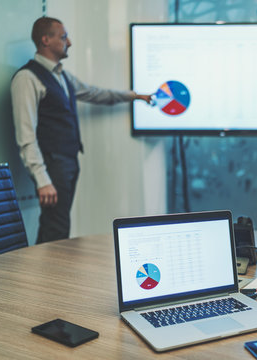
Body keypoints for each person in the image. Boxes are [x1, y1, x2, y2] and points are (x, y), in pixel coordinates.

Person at [11, 17, 152, 244]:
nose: (70, 42)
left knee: (57, 227)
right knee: (55, 229)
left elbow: (96, 94)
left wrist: (134, 96)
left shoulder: (62, 76)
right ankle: (45, 278)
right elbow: (26, 135)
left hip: (67, 164)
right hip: (52, 166)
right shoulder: (26, 78)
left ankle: (46, 276)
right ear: (45, 40)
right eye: (64, 36)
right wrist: (42, 179)